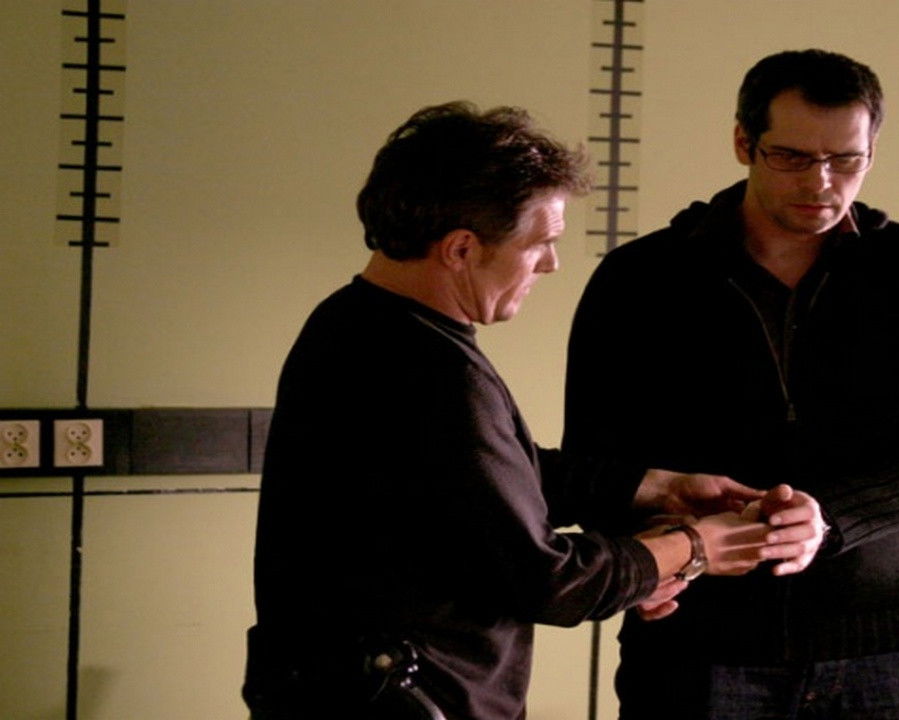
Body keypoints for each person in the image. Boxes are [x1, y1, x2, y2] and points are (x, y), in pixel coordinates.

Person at [241, 102, 804, 720]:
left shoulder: (352, 324)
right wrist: (693, 547)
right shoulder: (434, 371)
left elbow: (477, 481)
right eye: (540, 243)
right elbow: (545, 580)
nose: (551, 263)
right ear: (461, 248)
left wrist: (657, 488)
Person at [563, 49, 899, 719]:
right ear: (744, 143)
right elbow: (593, 458)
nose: (821, 182)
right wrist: (643, 556)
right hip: (696, 641)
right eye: (791, 157)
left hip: (889, 643)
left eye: (846, 159)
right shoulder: (639, 278)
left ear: (872, 151)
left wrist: (830, 518)